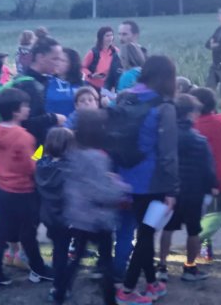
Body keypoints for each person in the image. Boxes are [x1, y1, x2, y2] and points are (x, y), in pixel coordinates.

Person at [115, 56, 179, 305]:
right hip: (154, 182)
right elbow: (168, 153)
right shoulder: (165, 107)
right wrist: (172, 189)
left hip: (125, 177)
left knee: (143, 232)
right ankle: (127, 290)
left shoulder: (124, 97)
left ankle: (151, 283)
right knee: (145, 235)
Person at [47, 112, 128, 305]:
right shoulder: (98, 158)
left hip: (78, 216)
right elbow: (101, 191)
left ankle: (59, 293)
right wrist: (121, 188)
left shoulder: (72, 154)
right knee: (106, 262)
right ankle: (110, 299)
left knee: (76, 259)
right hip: (99, 218)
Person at [0, 88, 54, 291]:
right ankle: (38, 268)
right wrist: (42, 151)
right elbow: (31, 166)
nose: (28, 109)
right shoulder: (24, 137)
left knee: (2, 231)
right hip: (24, 190)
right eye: (25, 106)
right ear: (16, 111)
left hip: (3, 189)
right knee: (28, 232)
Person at [157, 94, 218, 282]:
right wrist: (212, 187)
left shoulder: (166, 137)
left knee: (167, 229)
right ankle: (190, 268)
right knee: (194, 231)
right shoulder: (199, 141)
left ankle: (162, 266)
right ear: (191, 114)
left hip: (170, 191)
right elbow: (207, 169)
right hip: (194, 192)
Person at [190, 87, 221, 262]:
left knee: (203, 217)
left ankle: (201, 249)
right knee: (214, 216)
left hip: (198, 181)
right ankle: (201, 247)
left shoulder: (193, 126)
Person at [34, 128, 74, 303]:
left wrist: (44, 146)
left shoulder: (40, 164)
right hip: (68, 217)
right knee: (67, 252)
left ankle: (56, 286)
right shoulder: (70, 167)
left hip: (49, 215)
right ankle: (62, 286)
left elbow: (35, 157)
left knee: (59, 250)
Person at [12, 36, 65, 146]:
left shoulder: (44, 80)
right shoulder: (28, 85)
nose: (58, 63)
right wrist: (53, 118)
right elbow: (26, 123)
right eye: (55, 59)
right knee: (37, 161)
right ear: (40, 57)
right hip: (31, 148)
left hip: (39, 145)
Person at [46, 48, 84, 117]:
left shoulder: (82, 85)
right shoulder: (46, 82)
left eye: (62, 61)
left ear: (71, 64)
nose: (57, 63)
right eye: (56, 59)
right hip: (51, 125)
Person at [82, 26, 121, 90]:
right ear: (101, 38)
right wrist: (91, 75)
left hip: (109, 86)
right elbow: (83, 67)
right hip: (93, 85)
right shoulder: (93, 52)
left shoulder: (116, 51)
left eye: (111, 35)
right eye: (107, 36)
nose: (110, 38)